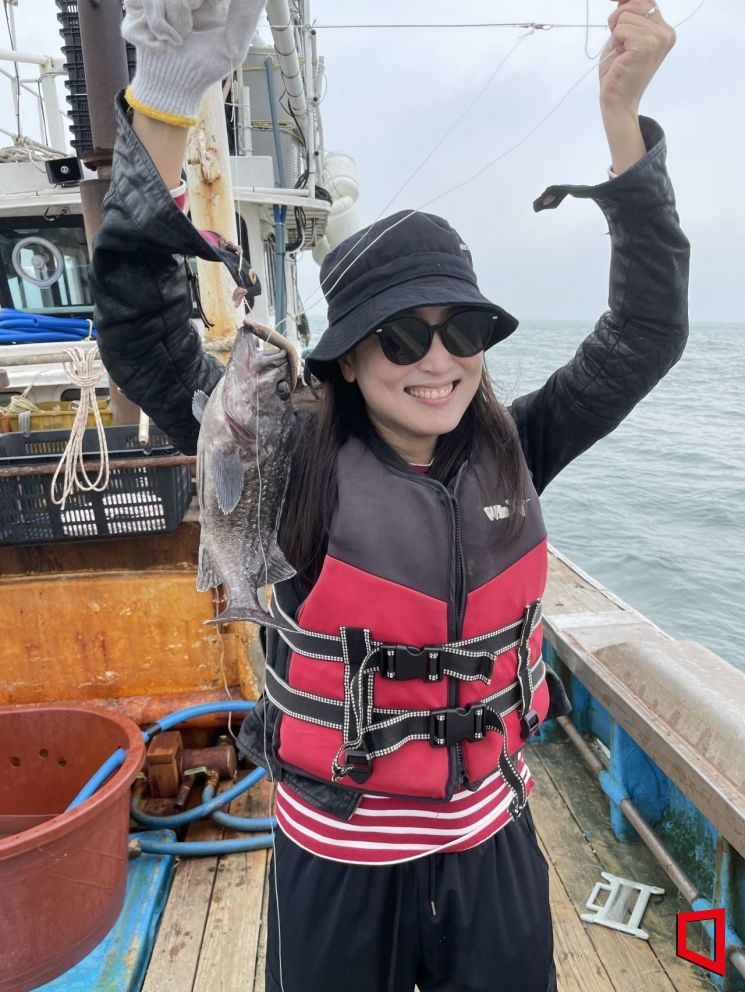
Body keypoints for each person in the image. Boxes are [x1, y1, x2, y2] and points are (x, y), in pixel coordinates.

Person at [92, 1, 688, 989]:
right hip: (335, 859)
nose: (436, 360)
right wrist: (161, 99)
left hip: (489, 841)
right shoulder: (285, 453)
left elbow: (647, 328)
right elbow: (142, 333)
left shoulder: (520, 444)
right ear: (352, 354)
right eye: (402, 338)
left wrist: (623, 118)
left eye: (462, 332)